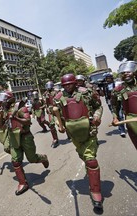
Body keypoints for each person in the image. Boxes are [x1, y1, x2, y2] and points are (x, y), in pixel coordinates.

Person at [53, 74, 103, 209]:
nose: (68, 86)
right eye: (65, 85)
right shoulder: (58, 98)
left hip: (89, 130)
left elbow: (98, 106)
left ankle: (96, 192)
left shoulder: (86, 93)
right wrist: (59, 125)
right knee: (83, 156)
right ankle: (88, 167)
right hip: (73, 134)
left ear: (75, 83)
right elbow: (55, 114)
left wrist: (97, 116)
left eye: (70, 84)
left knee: (91, 160)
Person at [0, 91, 49, 196]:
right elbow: (0, 126)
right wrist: (1, 115)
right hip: (13, 138)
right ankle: (23, 183)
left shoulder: (20, 108)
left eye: (3, 101)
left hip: (25, 137)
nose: (1, 103)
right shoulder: (4, 111)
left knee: (32, 159)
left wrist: (15, 118)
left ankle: (43, 158)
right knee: (15, 161)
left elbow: (28, 121)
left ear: (9, 100)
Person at [111, 61, 137, 149]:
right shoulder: (117, 90)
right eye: (123, 72)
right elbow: (114, 106)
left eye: (128, 71)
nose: (126, 74)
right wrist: (115, 118)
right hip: (131, 122)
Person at [102, 73, 126, 138]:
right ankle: (120, 126)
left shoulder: (117, 84)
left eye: (109, 78)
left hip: (118, 101)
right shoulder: (105, 86)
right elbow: (103, 94)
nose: (108, 80)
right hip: (110, 102)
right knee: (115, 115)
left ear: (112, 78)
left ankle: (122, 130)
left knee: (121, 115)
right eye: (107, 78)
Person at [43, 81, 59, 147]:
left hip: (57, 109)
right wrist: (46, 108)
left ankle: (70, 135)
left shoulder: (56, 91)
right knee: (51, 125)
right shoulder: (45, 93)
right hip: (50, 110)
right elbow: (45, 102)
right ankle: (55, 139)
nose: (48, 87)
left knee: (63, 122)